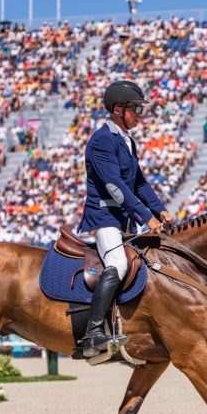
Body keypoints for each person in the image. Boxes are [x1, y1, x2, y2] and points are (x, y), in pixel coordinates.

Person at [76, 80, 174, 357]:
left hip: (124, 219)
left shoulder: (126, 140)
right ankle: (93, 333)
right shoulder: (101, 141)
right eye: (136, 109)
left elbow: (140, 183)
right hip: (105, 216)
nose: (140, 115)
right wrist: (146, 217)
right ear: (118, 109)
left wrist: (160, 210)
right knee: (118, 264)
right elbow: (115, 186)